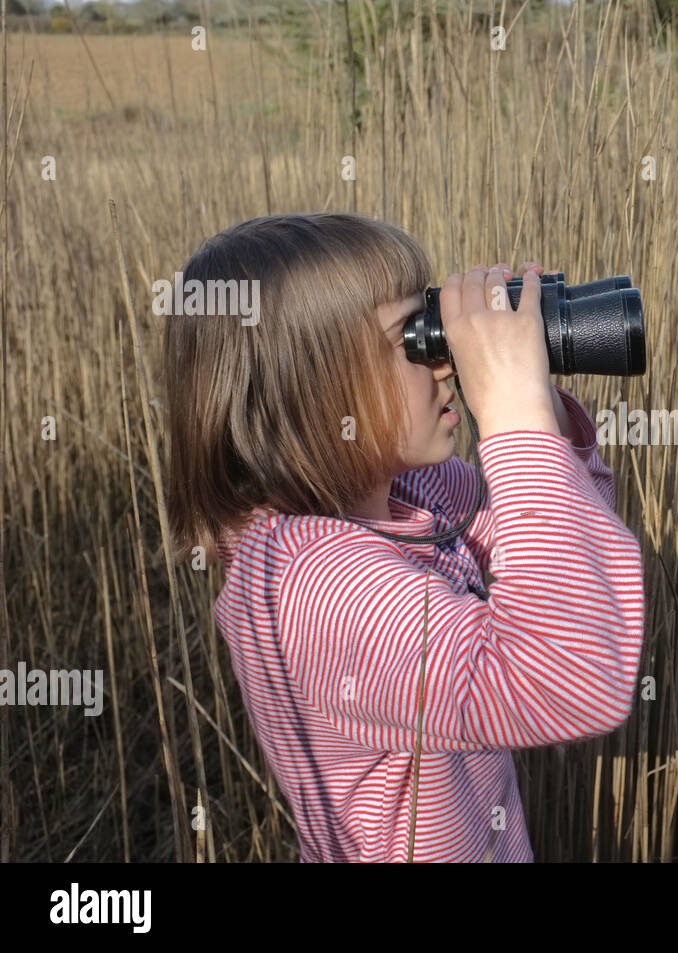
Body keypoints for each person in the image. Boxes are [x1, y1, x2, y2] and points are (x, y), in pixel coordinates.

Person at [161, 211, 646, 861]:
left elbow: (569, 568)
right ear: (309, 394)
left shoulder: (412, 492)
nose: (444, 361)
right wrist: (510, 412)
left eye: (432, 324)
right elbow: (570, 676)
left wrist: (540, 407)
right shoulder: (311, 587)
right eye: (409, 338)